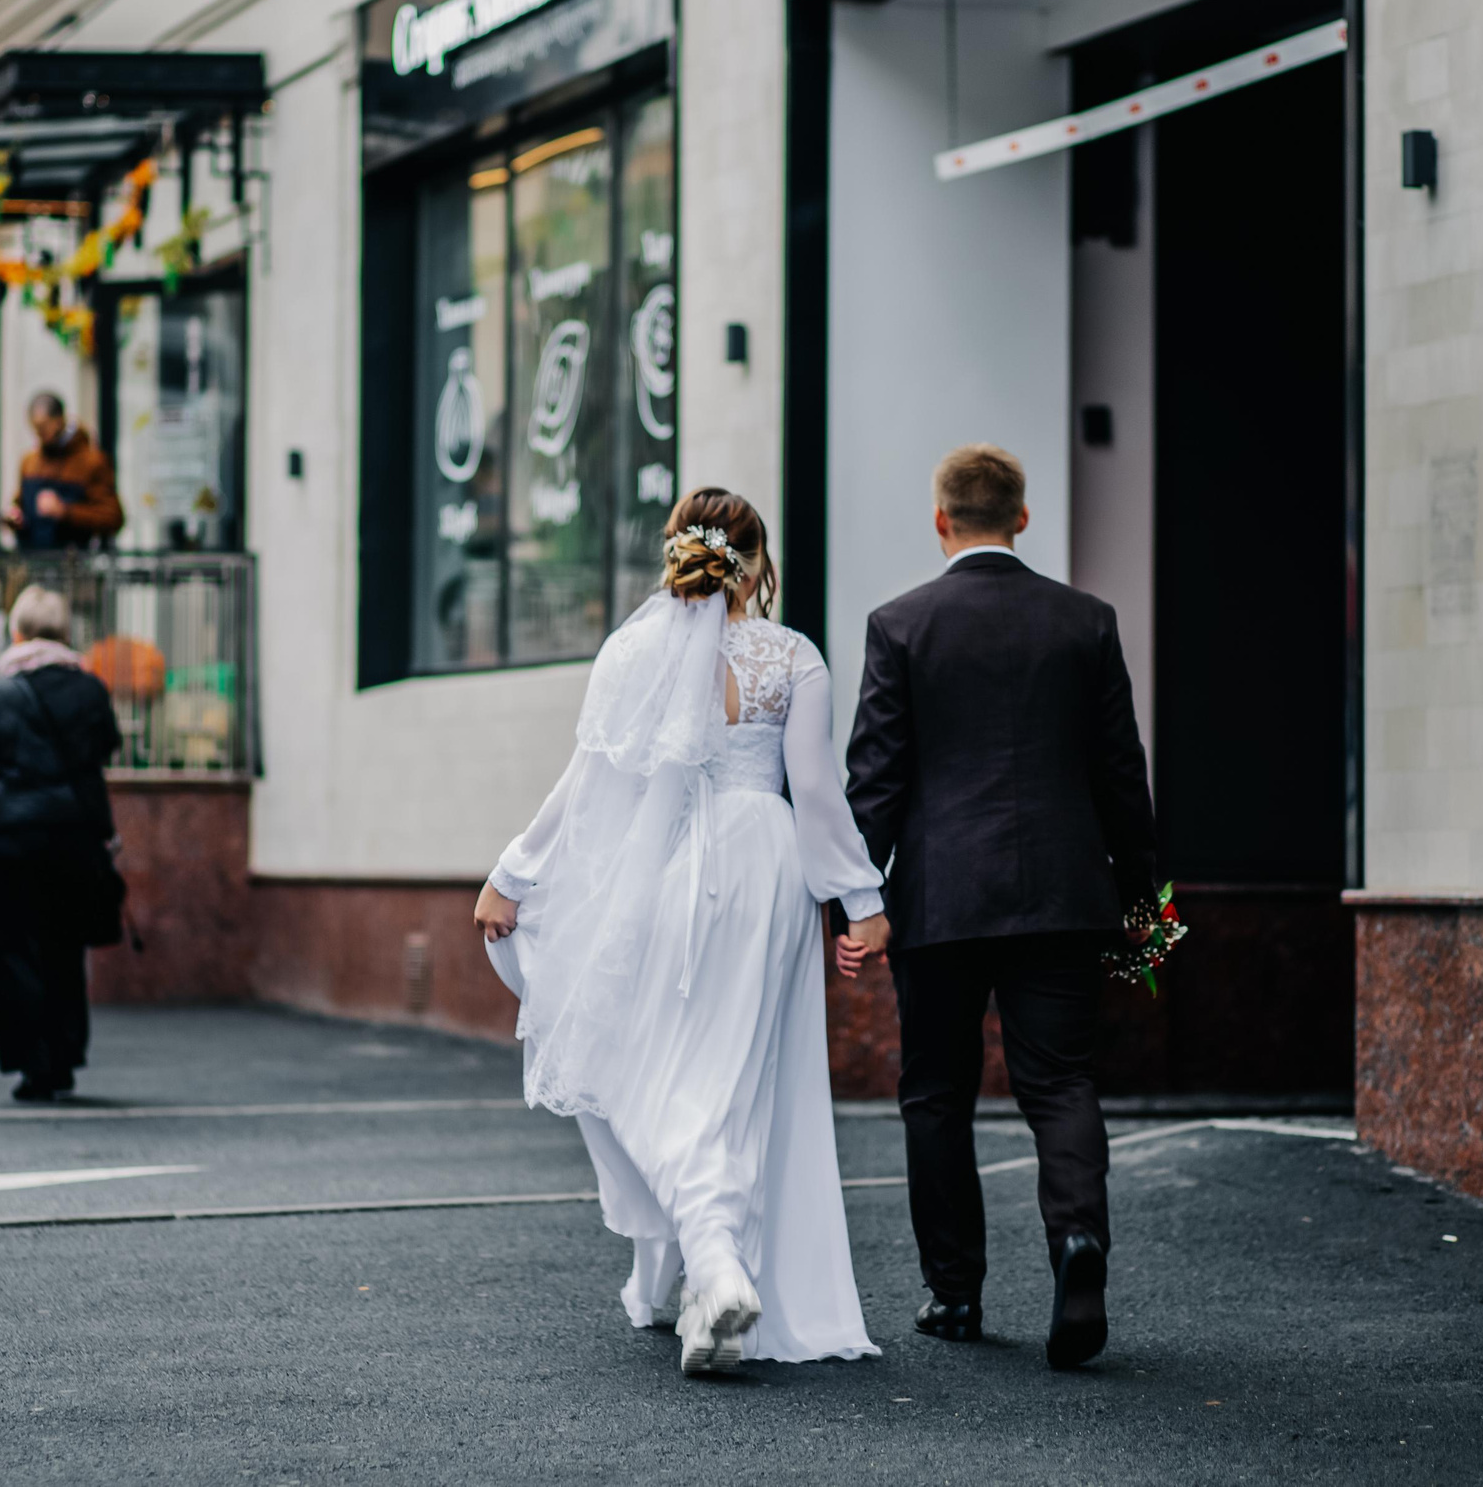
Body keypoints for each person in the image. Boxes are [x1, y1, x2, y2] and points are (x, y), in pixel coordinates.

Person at [474, 488, 883, 1377]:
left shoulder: (634, 651)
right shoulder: (792, 656)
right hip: (768, 865)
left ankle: (715, 1261)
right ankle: (702, 1277)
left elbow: (587, 783)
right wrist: (862, 899)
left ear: (678, 553)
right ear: (757, 561)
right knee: (738, 1077)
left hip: (671, 874)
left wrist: (513, 871)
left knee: (652, 1066)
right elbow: (814, 791)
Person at [839, 443, 1159, 1371]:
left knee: (936, 1093)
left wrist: (856, 901)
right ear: (1024, 517)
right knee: (1060, 1081)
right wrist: (1143, 897)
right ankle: (1076, 1242)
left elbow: (876, 782)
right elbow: (1119, 773)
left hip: (940, 901)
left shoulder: (900, 625)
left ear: (941, 521)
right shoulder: (1084, 622)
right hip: (1064, 895)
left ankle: (954, 1292)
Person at [0, 585, 122, 1102]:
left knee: (13, 949)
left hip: (11, 841)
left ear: (16, 632)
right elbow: (106, 745)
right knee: (65, 946)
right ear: (66, 634)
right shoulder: (90, 689)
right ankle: (64, 1057)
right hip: (74, 838)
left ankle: (34, 1065)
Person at [0, 392, 123, 551]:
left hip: (71, 567)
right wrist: (14, 517)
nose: (39, 435)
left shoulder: (91, 462)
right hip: (31, 563)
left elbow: (113, 518)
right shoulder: (29, 462)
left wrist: (65, 511)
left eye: (43, 428)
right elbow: (19, 505)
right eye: (35, 428)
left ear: (59, 421)